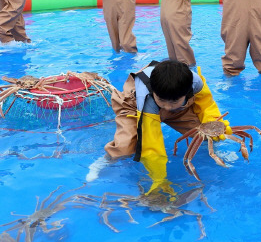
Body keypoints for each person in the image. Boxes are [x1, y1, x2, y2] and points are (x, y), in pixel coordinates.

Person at [86, 60, 232, 192]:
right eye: (162, 101)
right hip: (135, 106)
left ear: (186, 92)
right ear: (154, 92)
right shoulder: (146, 96)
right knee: (126, 146)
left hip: (179, 109)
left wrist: (212, 121)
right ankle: (106, 159)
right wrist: (159, 178)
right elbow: (152, 143)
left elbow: (207, 105)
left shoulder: (195, 82)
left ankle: (215, 152)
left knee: (205, 131)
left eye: (173, 101)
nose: (167, 107)